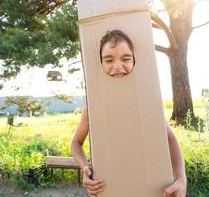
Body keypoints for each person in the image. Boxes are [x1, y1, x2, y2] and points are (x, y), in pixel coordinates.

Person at [71, 30, 187, 197]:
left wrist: (181, 179)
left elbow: (170, 139)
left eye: (125, 59)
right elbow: (76, 143)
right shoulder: (93, 110)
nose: (118, 67)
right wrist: (85, 168)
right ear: (101, 64)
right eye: (109, 60)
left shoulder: (148, 103)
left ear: (134, 60)